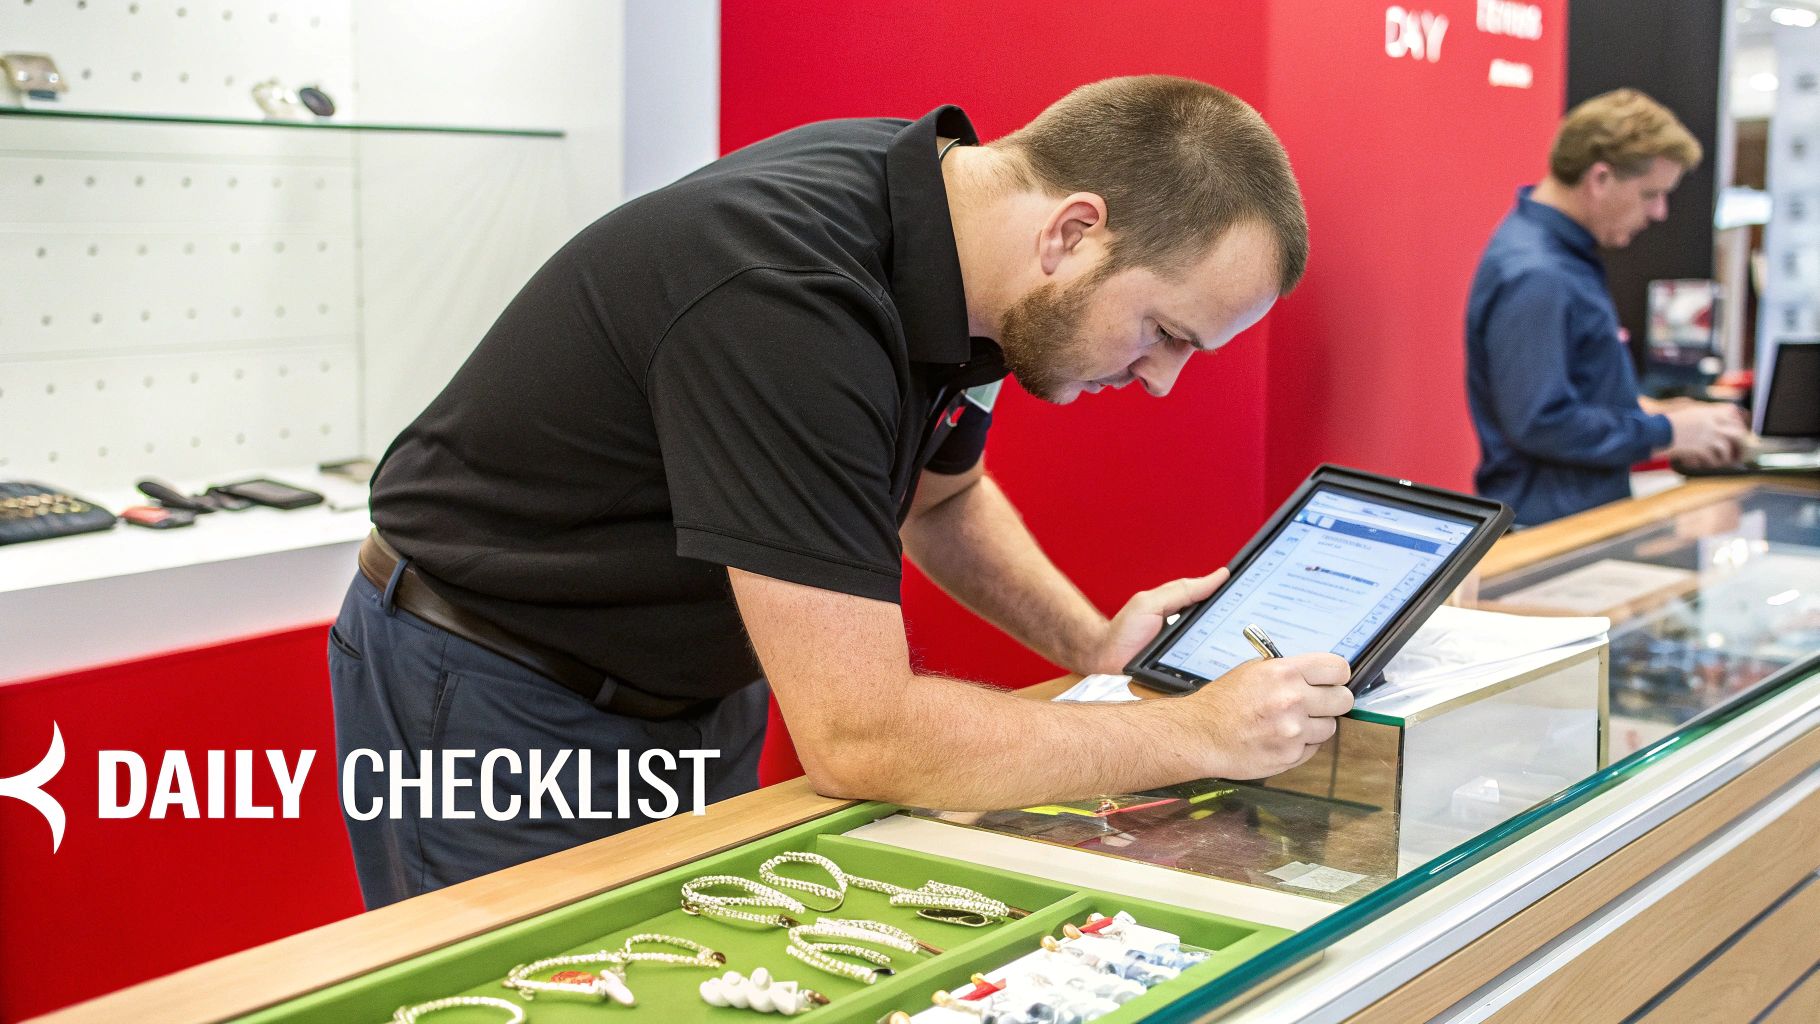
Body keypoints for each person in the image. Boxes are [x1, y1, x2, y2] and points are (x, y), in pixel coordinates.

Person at [328, 75, 1353, 909]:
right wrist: (1196, 734)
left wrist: (1090, 649)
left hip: (695, 691)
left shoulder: (969, 259)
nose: (1161, 379)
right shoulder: (787, 295)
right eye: (1164, 333)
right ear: (1072, 233)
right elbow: (863, 734)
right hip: (495, 685)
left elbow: (941, 501)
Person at [1466, 88, 1748, 526]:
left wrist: (1667, 414)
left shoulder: (1560, 257)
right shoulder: (1539, 273)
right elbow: (1541, 422)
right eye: (1650, 194)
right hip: (1548, 532)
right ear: (1600, 179)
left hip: (1569, 517)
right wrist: (1670, 433)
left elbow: (1574, 393)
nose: (1659, 212)